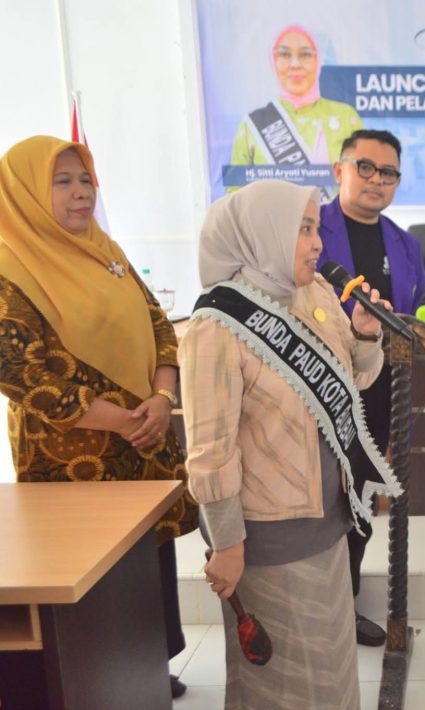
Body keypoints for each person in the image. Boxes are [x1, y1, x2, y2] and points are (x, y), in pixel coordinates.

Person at [179, 179, 400, 708]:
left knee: (331, 673)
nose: (317, 243)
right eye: (303, 229)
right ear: (263, 234)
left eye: (316, 228)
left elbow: (357, 380)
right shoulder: (216, 326)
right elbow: (210, 452)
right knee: (284, 686)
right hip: (270, 536)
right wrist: (227, 545)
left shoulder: (314, 293)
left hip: (329, 518)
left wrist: (366, 333)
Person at [0, 135, 198, 698]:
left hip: (144, 434)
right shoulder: (8, 269)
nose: (81, 192)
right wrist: (120, 419)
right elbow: (22, 375)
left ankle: (144, 662)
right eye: (62, 182)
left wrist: (161, 398)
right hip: (72, 459)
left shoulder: (104, 250)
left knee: (143, 560)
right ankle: (95, 675)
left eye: (84, 179)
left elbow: (158, 321)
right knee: (90, 572)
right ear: (26, 194)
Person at [318, 128, 425, 646]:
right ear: (339, 170)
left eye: (388, 173)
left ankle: (345, 607)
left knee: (360, 500)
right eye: (365, 167)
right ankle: (310, 611)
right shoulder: (307, 228)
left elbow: (416, 314)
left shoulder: (405, 245)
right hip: (313, 389)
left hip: (377, 390)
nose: (376, 180)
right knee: (318, 498)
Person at [229, 25, 364, 191]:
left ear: (318, 60)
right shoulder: (253, 124)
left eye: (305, 54)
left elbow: (363, 178)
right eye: (284, 54)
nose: (295, 64)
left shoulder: (345, 117)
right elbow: (235, 189)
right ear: (273, 62)